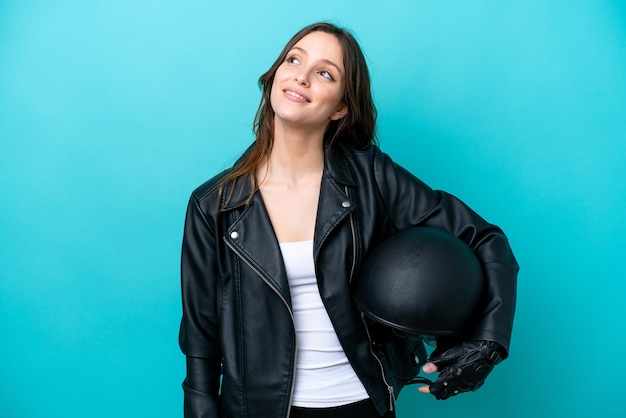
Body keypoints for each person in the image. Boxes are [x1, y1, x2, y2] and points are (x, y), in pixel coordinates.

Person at [179, 22, 518, 418]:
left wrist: (487, 343)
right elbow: (200, 340)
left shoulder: (370, 175)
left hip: (361, 403)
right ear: (275, 76)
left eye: (325, 73)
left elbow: (485, 239)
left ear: (341, 106)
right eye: (293, 59)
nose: (301, 76)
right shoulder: (213, 204)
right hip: (259, 410)